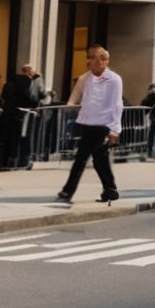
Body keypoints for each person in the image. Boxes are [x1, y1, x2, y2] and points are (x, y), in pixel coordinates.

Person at [56, 46, 121, 205]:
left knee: (90, 159)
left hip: (103, 124)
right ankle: (109, 189)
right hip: (87, 123)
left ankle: (70, 191)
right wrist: (70, 105)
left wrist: (114, 129)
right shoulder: (85, 78)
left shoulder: (114, 79)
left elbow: (117, 105)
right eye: (92, 58)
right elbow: (75, 95)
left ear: (105, 61)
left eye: (98, 58)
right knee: (92, 158)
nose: (94, 61)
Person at [0, 64, 44, 171]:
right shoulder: (29, 84)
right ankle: (23, 161)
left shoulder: (9, 84)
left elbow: (3, 99)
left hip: (8, 115)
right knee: (24, 138)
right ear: (29, 72)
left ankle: (6, 162)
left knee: (8, 139)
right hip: (22, 115)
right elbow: (33, 99)